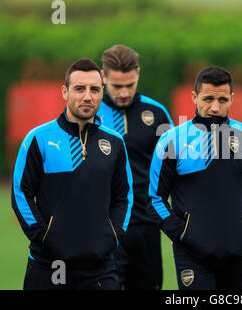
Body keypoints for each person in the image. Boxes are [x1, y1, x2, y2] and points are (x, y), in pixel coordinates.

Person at [147, 66, 242, 290]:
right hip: (191, 254)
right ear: (194, 97)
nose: (215, 107)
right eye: (207, 99)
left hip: (238, 252)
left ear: (232, 99)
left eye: (222, 99)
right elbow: (155, 198)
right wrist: (179, 232)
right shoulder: (172, 140)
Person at [11, 58, 133, 290]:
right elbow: (21, 192)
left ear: (102, 93)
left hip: (100, 268)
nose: (87, 96)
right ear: (65, 92)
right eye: (80, 89)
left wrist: (114, 235)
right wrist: (44, 236)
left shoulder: (115, 142)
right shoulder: (38, 138)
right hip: (48, 266)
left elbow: (124, 197)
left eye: (95, 89)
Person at [96, 44, 174, 290]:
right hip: (101, 227)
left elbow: (175, 168)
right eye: (117, 86)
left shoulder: (157, 113)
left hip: (145, 225)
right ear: (103, 76)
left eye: (129, 85)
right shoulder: (88, 111)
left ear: (138, 73)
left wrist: (177, 218)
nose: (123, 92)